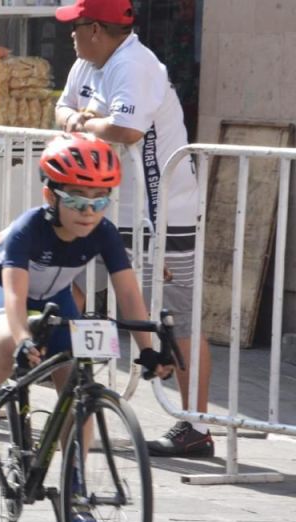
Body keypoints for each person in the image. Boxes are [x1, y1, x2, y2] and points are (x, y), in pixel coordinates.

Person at [0, 133, 174, 522]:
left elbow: (129, 294)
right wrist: (24, 339)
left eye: (99, 200)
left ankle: (75, 484)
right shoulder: (28, 230)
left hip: (55, 297)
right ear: (50, 195)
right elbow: (15, 298)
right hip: (2, 287)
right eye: (76, 199)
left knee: (77, 386)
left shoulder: (104, 232)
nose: (88, 211)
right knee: (7, 343)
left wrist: (148, 350)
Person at [54, 0, 213, 458]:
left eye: (75, 26)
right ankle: (78, 386)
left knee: (177, 317)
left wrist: (82, 121)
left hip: (161, 213)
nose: (70, 35)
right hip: (102, 206)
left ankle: (196, 426)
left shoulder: (136, 64)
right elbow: (61, 107)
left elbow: (126, 130)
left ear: (96, 29)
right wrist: (82, 120)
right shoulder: (87, 63)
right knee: (63, 286)